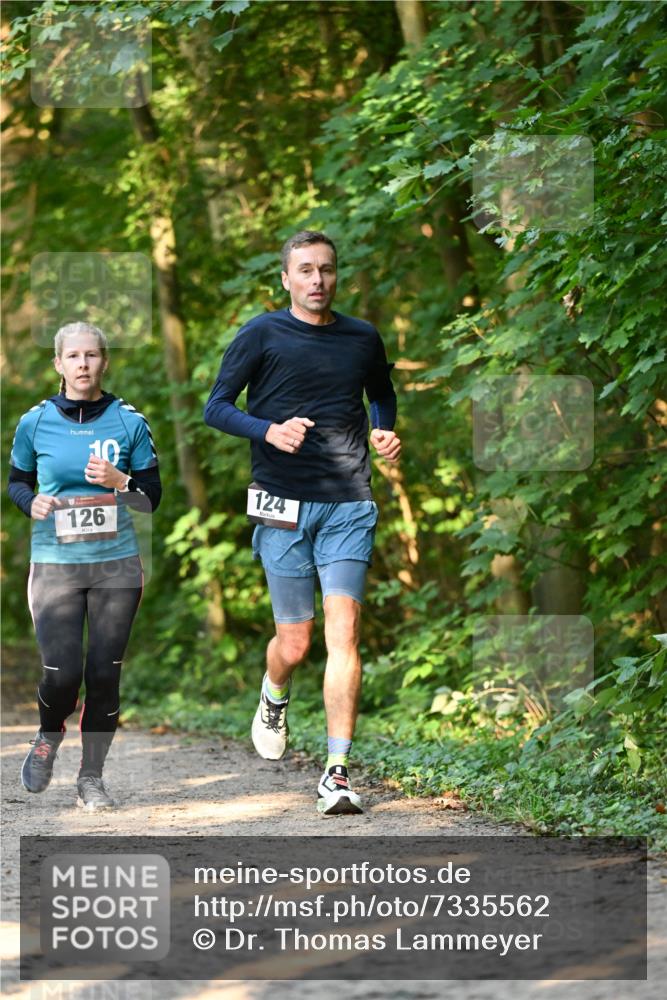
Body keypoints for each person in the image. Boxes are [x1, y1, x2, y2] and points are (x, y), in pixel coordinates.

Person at [204, 231, 400, 815]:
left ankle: (336, 773)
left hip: (347, 501)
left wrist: (383, 429)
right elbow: (216, 405)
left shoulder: (362, 337)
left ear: (337, 276)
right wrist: (266, 430)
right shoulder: (262, 333)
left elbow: (381, 395)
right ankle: (274, 691)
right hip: (280, 501)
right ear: (286, 279)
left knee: (345, 635)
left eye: (327, 270)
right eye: (306, 271)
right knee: (296, 641)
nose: (318, 281)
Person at [8, 322, 161, 811]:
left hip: (115, 567)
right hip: (54, 564)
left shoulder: (128, 421)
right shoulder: (34, 422)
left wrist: (121, 480)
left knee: (103, 673)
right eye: (73, 356)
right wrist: (28, 502)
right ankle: (48, 736)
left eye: (92, 355)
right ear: (58, 364)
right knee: (61, 671)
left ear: (104, 361)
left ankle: (91, 777)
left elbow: (150, 500)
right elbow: (15, 482)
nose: (82, 364)